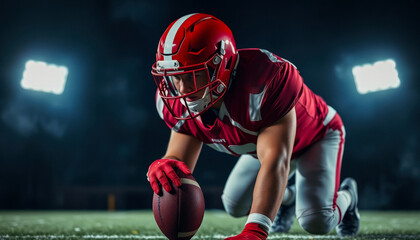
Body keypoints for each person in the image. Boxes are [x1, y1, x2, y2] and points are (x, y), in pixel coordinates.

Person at [146, 13, 360, 239]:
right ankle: (288, 198)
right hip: (262, 145)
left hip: (316, 136)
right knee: (234, 204)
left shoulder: (265, 81)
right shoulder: (181, 102)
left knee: (315, 220)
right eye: (175, 77)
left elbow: (276, 160)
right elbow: (178, 163)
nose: (181, 89)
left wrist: (256, 230)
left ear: (222, 64)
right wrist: (166, 165)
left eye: (193, 75)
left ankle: (348, 197)